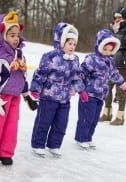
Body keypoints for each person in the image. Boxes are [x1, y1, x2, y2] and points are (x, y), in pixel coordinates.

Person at [0, 11, 37, 166]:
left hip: (15, 97)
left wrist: (27, 96)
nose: (16, 38)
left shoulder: (19, 54)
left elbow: (21, 76)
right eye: (11, 35)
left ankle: (5, 153)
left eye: (17, 34)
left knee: (11, 127)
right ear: (1, 35)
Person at [30, 22, 86, 157]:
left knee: (61, 123)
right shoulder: (50, 57)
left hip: (65, 98)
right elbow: (41, 73)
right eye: (69, 43)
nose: (72, 47)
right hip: (49, 96)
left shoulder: (75, 59)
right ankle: (38, 144)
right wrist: (35, 89)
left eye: (74, 44)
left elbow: (76, 77)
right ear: (61, 42)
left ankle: (54, 145)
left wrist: (81, 90)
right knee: (44, 121)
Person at [74, 29, 126, 149]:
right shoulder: (91, 59)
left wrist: (124, 86)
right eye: (105, 49)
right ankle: (81, 138)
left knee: (94, 120)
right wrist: (78, 89)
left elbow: (115, 75)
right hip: (88, 95)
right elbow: (80, 74)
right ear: (99, 46)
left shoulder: (110, 61)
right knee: (86, 118)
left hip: (100, 96)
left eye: (110, 50)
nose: (107, 52)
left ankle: (88, 137)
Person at [99, 6, 126, 125]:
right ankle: (107, 113)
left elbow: (124, 43)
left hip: (125, 65)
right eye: (115, 18)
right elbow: (106, 44)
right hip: (111, 63)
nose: (116, 20)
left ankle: (120, 116)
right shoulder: (111, 29)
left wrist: (116, 33)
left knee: (121, 90)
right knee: (107, 88)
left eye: (119, 18)